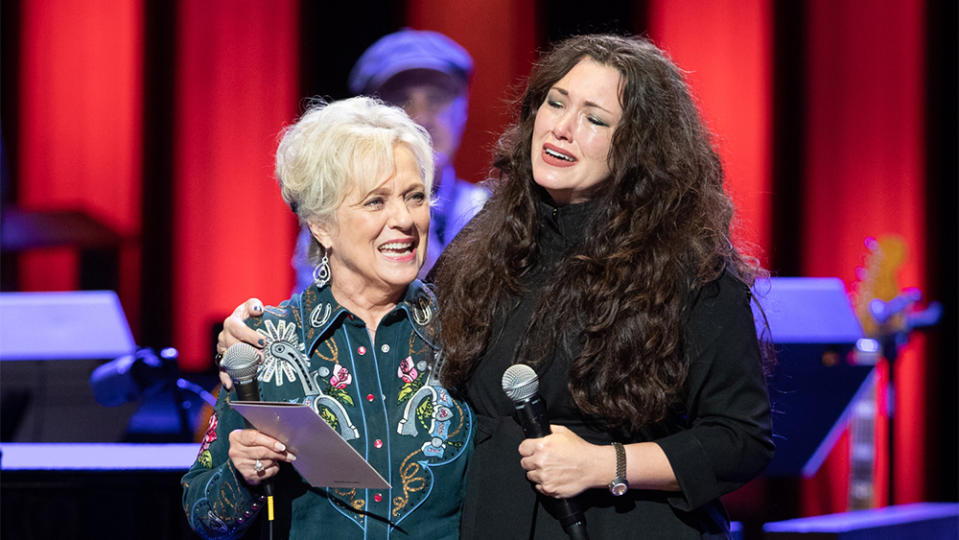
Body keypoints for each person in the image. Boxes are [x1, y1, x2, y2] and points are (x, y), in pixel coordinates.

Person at [223, 34, 774, 539]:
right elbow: (392, 323)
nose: (560, 127)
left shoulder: (691, 274)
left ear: (640, 147)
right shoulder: (486, 244)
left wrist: (605, 465)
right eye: (555, 104)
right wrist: (263, 334)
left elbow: (741, 440)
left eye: (594, 119)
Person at [183, 96, 472, 540]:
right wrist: (243, 476)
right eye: (375, 202)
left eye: (414, 197)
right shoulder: (264, 342)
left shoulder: (467, 331)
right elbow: (205, 516)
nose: (404, 219)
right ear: (321, 224)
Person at [291, 29, 488, 291]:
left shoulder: (493, 213)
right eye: (403, 100)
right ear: (371, 117)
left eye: (437, 99)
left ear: (463, 108)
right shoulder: (335, 219)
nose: (422, 118)